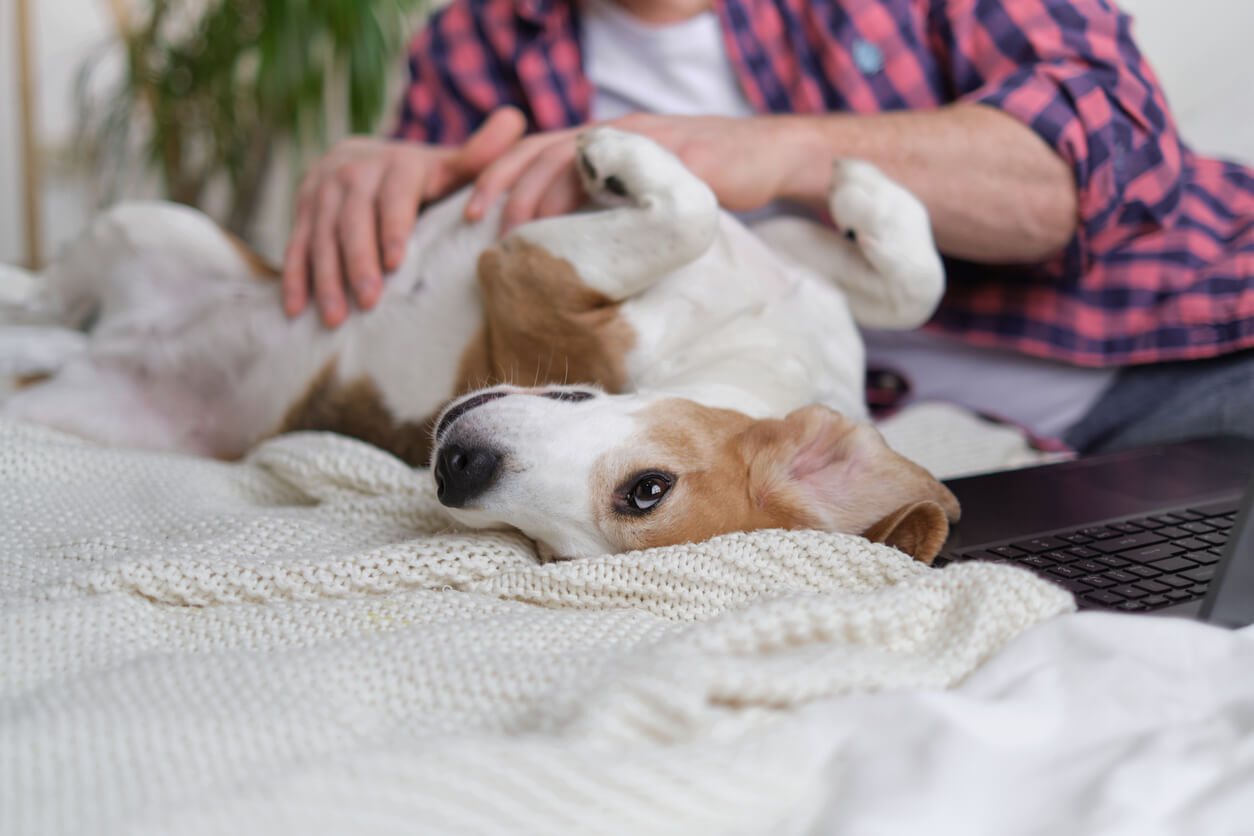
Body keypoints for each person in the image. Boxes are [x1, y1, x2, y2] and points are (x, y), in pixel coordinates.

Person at [281, 0, 1254, 454]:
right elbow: (427, 347)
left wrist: (780, 151)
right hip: (940, 469)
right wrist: (390, 191)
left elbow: (1104, 166)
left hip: (1202, 349)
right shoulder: (475, 45)